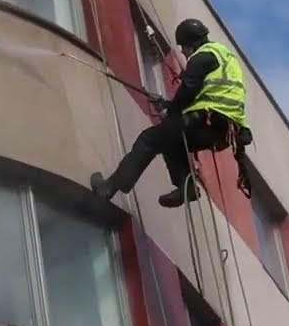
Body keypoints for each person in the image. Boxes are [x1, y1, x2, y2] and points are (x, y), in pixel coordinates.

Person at [90, 18, 252, 208]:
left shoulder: (202, 57)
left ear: (190, 43)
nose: (182, 52)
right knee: (170, 138)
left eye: (183, 47)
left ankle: (109, 187)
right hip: (223, 129)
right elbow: (205, 95)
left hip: (207, 121)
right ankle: (186, 186)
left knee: (149, 138)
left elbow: (189, 90)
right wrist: (168, 105)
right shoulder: (225, 57)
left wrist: (171, 110)